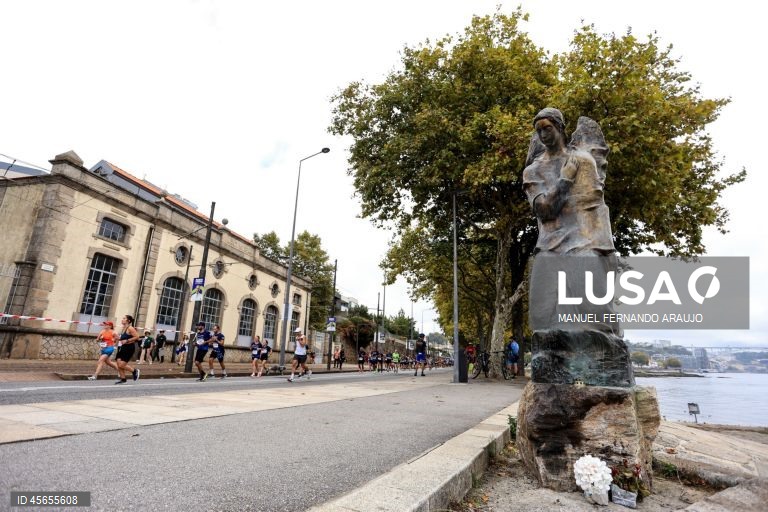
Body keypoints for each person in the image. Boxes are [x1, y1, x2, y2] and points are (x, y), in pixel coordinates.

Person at [522, 107, 619, 334]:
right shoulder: (533, 170)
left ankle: (605, 357)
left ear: (560, 128)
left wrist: (604, 248)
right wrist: (565, 180)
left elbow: (594, 206)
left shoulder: (584, 162)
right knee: (540, 318)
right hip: (549, 245)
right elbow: (544, 210)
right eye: (539, 131)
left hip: (583, 241)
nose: (543, 135)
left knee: (597, 317)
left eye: (547, 128)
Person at [115, 315, 141, 384]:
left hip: (129, 348)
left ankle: (134, 371)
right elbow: (124, 338)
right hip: (123, 347)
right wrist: (118, 338)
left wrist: (127, 340)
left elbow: (137, 337)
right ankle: (123, 379)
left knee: (121, 365)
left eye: (124, 318)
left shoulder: (130, 328)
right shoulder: (124, 328)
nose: (122, 319)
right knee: (118, 363)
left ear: (128, 321)